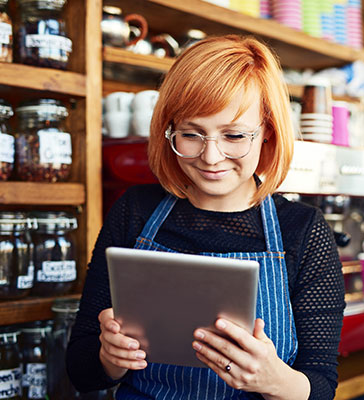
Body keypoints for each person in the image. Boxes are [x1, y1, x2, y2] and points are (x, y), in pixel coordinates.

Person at [66, 35, 345, 399]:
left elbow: (321, 385)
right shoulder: (135, 211)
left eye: (233, 135)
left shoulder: (304, 231)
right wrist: (110, 357)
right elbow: (80, 370)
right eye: (192, 134)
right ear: (169, 131)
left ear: (267, 134)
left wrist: (275, 381)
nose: (211, 157)